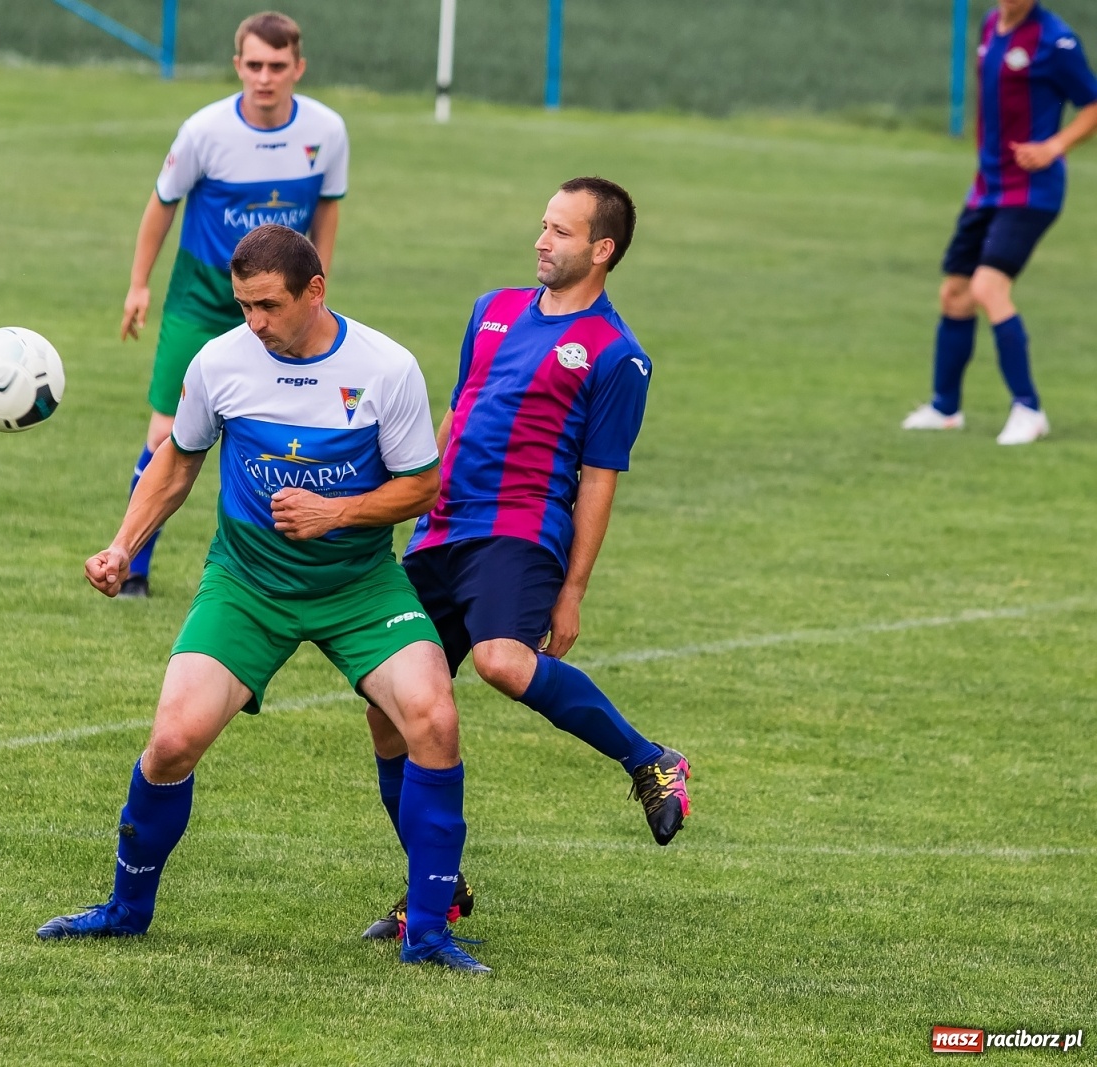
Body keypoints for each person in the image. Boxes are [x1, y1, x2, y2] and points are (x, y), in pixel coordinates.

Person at [39, 225, 488, 973]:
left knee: (434, 719)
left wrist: (335, 514)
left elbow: (421, 486)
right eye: (244, 304)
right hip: (247, 584)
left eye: (268, 305)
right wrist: (124, 543)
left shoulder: (386, 367)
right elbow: (175, 464)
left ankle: (430, 932)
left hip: (359, 585)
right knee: (174, 739)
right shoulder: (220, 360)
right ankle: (125, 909)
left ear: (316, 290)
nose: (254, 322)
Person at [357, 178, 691, 941]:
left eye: (561, 232)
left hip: (521, 530)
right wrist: (415, 494)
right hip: (443, 529)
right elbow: (458, 411)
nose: (542, 240)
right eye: (542, 225)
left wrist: (572, 590)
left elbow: (600, 479)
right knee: (387, 710)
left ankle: (651, 761)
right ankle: (436, 888)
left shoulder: (617, 356)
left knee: (505, 663)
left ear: (601, 250)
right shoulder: (492, 308)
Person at [115, 11, 349, 596]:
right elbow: (162, 202)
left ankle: (288, 571)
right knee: (167, 431)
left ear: (298, 67)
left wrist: (321, 284)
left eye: (276, 66)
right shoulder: (205, 132)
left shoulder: (326, 131)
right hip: (199, 301)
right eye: (253, 65)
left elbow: (327, 208)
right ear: (237, 64)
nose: (264, 77)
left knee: (293, 425)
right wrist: (139, 284)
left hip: (286, 304)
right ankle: (133, 568)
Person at [903, 0, 1097, 445]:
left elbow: (1092, 104)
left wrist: (1055, 146)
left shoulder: (1055, 40)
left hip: (1031, 191)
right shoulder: (992, 23)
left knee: (988, 288)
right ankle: (945, 408)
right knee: (954, 294)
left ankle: (1028, 410)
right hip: (986, 188)